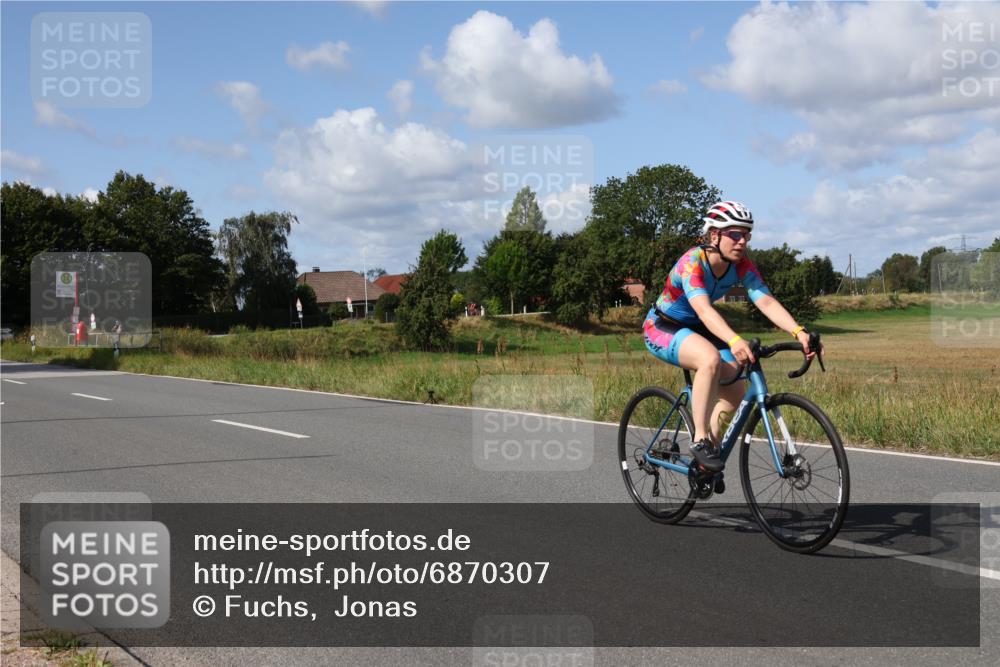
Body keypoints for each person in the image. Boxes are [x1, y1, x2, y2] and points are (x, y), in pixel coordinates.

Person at [642, 201, 820, 473]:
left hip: (699, 328)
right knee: (709, 359)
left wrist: (799, 331)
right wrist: (735, 341)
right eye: (735, 234)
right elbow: (703, 309)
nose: (742, 242)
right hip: (663, 326)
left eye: (747, 235)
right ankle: (699, 439)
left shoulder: (741, 265)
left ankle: (706, 458)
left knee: (736, 388)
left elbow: (766, 302)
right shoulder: (692, 263)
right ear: (714, 235)